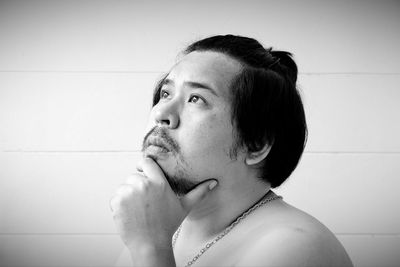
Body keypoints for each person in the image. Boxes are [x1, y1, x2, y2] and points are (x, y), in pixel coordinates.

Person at [110, 34, 353, 267]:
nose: (161, 114)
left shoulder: (296, 246)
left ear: (255, 144)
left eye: (196, 99)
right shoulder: (157, 226)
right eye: (166, 94)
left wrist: (150, 249)